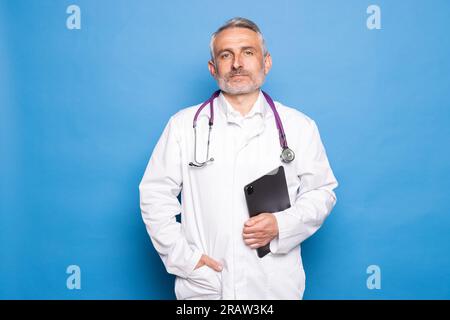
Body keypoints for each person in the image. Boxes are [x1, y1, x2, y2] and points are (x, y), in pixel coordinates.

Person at [139, 17, 338, 300]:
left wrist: (282, 225)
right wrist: (185, 258)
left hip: (274, 285)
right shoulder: (183, 126)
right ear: (213, 68)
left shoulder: (299, 126)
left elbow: (322, 192)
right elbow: (154, 195)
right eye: (225, 55)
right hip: (207, 285)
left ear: (266, 62)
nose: (237, 63)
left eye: (248, 52)